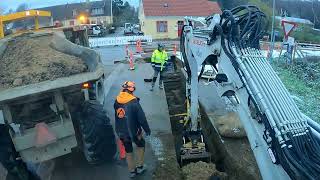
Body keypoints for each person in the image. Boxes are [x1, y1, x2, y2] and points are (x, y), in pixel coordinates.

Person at [114, 81, 151, 178]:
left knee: (128, 149)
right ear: (132, 90)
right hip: (134, 131)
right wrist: (147, 130)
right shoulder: (134, 102)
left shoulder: (117, 100)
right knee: (141, 144)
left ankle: (132, 171)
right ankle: (140, 166)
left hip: (121, 131)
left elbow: (119, 115)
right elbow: (142, 118)